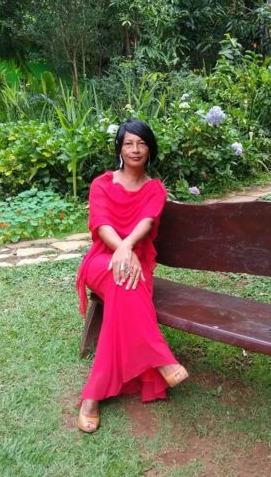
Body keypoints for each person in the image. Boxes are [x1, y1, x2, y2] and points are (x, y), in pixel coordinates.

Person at [75, 118, 189, 433]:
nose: (135, 149)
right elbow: (101, 224)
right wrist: (122, 250)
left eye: (141, 144)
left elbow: (147, 222)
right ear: (120, 149)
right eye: (128, 143)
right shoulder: (101, 184)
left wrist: (127, 249)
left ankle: (92, 397)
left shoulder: (155, 189)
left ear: (149, 149)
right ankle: (162, 359)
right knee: (121, 276)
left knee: (123, 285)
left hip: (136, 261)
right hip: (102, 260)